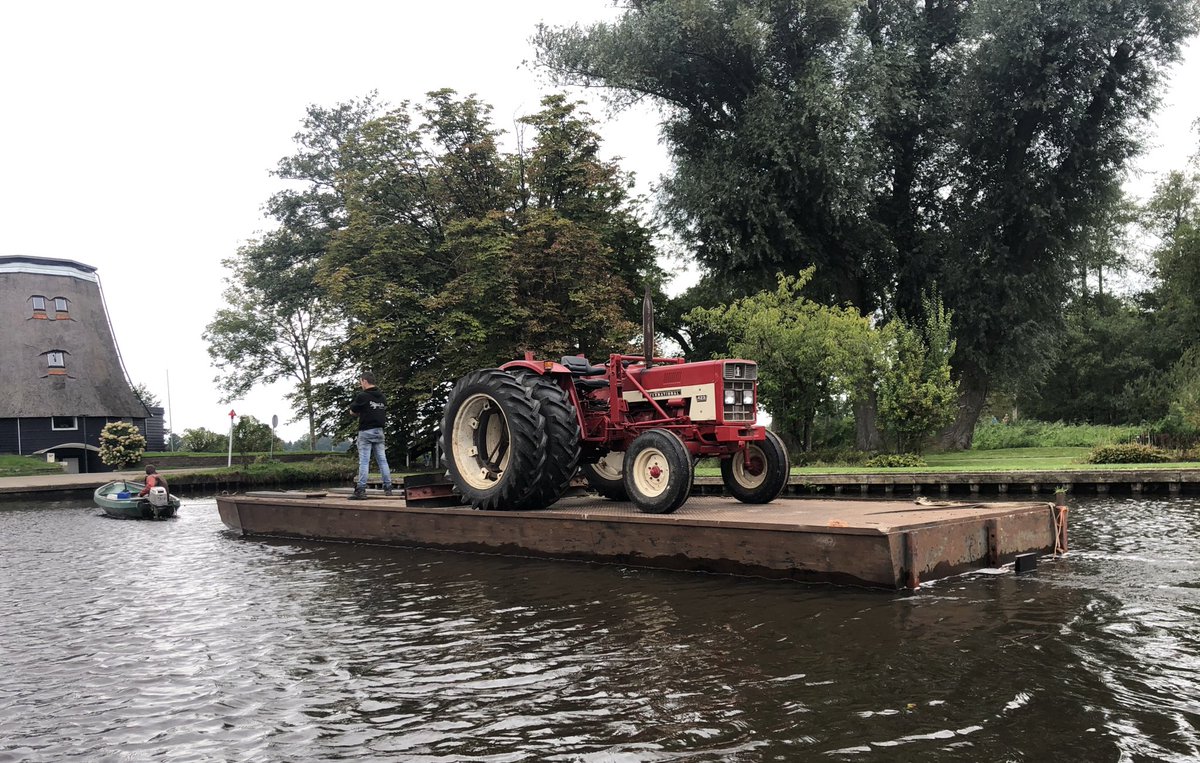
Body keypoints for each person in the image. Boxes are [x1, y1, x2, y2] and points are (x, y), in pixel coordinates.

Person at [348, 371, 394, 499]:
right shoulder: (382, 397)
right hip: (379, 432)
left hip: (366, 431)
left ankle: (361, 490)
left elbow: (353, 411)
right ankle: (388, 488)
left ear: (364, 381)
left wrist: (358, 412)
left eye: (360, 382)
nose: (360, 384)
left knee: (364, 462)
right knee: (382, 460)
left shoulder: (363, 396)